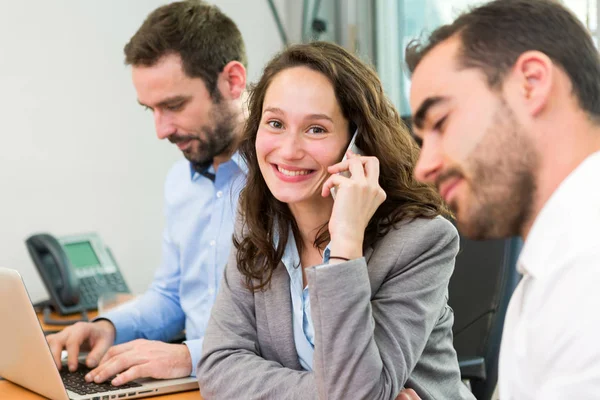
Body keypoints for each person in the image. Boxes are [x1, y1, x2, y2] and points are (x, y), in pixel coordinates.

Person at [197, 41, 474, 400]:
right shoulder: (258, 222)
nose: (289, 150)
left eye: (316, 129)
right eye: (276, 123)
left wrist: (346, 241)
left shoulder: (421, 241)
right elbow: (219, 366)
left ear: (357, 142)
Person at [45, 0, 248, 385]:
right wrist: (108, 327)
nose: (161, 130)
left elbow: (298, 335)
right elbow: (174, 295)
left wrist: (188, 356)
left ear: (233, 81)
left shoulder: (285, 181)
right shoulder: (180, 183)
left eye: (174, 105)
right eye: (149, 110)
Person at [406, 0, 600, 398]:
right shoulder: (552, 268)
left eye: (441, 121)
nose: (422, 167)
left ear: (531, 82)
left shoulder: (587, 267)